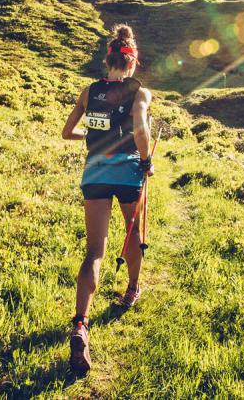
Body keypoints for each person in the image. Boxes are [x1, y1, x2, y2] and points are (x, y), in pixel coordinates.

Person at [60, 23, 154, 374]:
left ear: (108, 60)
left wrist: (92, 135)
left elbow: (67, 132)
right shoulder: (139, 93)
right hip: (128, 172)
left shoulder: (89, 91)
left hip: (95, 173)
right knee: (132, 234)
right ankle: (131, 289)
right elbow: (141, 129)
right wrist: (146, 161)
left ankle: (80, 323)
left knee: (94, 251)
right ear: (131, 64)